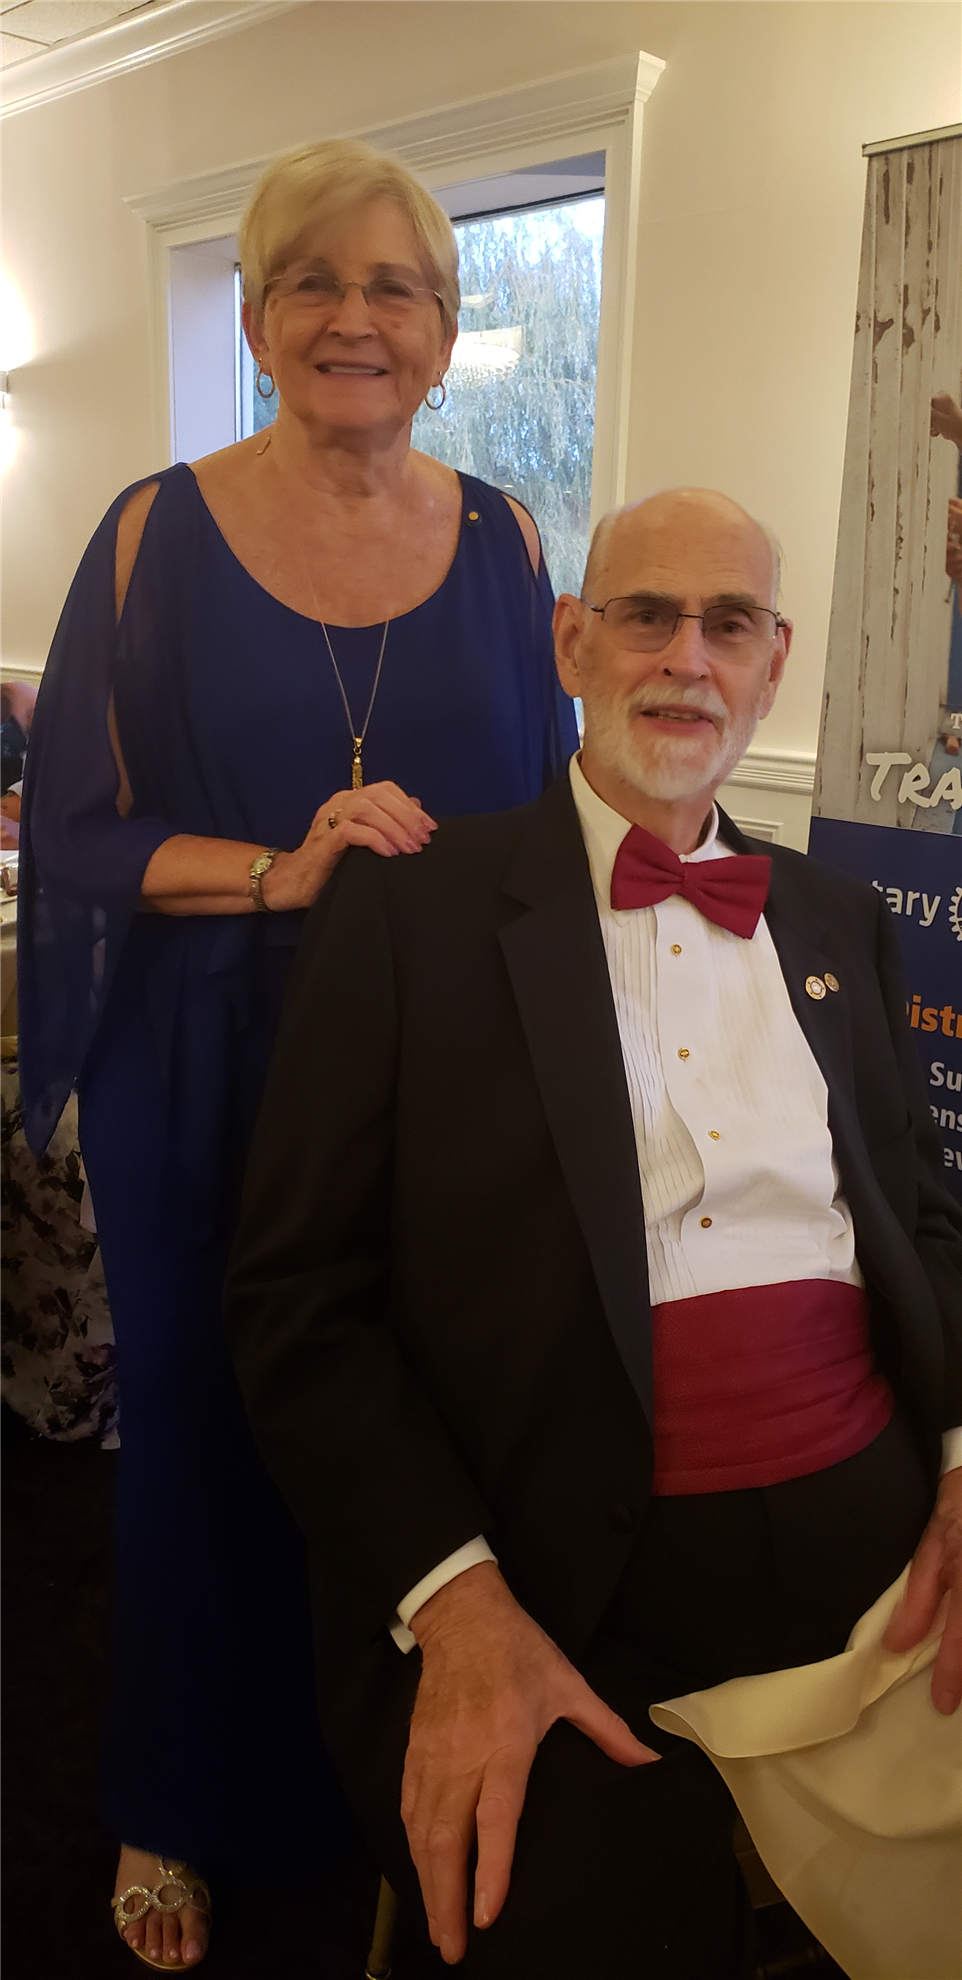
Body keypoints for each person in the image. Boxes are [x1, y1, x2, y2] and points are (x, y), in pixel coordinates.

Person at [226, 488, 962, 1977]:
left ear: (772, 663)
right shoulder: (411, 912)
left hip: (889, 1561)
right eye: (645, 616)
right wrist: (457, 1601)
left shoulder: (837, 919)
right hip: (555, 1586)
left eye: (729, 624)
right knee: (587, 1929)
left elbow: (928, 1225)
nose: (687, 658)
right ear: (572, 643)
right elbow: (299, 1299)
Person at [18, 138, 577, 1968]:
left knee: (423, 1416)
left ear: (445, 329)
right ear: (258, 322)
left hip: (438, 1072)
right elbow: (79, 832)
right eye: (311, 282)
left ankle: (391, 1750)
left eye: (394, 285)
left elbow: (539, 818)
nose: (355, 316)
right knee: (206, 1434)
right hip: (210, 1057)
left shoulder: (505, 541)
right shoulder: (149, 534)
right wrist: (282, 868)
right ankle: (178, 1796)